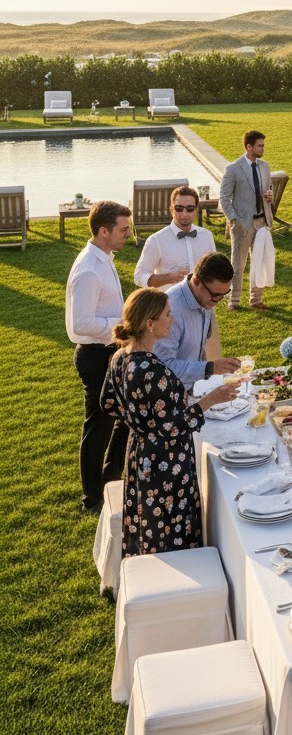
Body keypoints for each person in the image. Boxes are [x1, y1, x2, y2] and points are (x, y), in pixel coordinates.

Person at [102, 288, 239, 556]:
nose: (172, 320)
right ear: (149, 324)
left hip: (140, 455)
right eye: (167, 314)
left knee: (149, 525)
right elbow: (172, 427)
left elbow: (108, 403)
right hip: (166, 466)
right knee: (170, 531)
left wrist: (140, 423)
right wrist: (211, 399)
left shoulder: (120, 357)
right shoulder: (151, 370)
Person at [66, 200, 132, 513]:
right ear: (103, 231)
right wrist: (121, 326)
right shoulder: (88, 270)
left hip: (111, 352)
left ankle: (110, 479)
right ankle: (92, 498)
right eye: (123, 229)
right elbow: (80, 324)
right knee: (98, 427)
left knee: (125, 418)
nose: (128, 235)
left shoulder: (104, 257)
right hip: (96, 356)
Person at [134, 184, 222, 358]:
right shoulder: (157, 240)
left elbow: (215, 271)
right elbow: (139, 275)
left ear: (196, 210)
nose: (184, 214)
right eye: (179, 208)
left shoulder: (206, 236)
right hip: (171, 314)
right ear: (171, 209)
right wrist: (167, 277)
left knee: (208, 361)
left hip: (203, 310)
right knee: (173, 362)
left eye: (189, 209)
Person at [154, 252, 241, 394]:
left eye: (224, 294)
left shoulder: (204, 299)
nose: (218, 300)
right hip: (168, 396)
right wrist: (209, 368)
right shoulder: (170, 311)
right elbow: (163, 366)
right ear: (196, 281)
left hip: (191, 390)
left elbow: (197, 350)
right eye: (215, 295)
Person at [219, 129, 273, 311]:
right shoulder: (233, 168)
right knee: (238, 264)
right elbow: (224, 198)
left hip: (262, 222)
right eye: (260, 146)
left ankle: (256, 299)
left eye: (263, 145)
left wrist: (269, 196)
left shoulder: (265, 166)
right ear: (249, 147)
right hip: (242, 224)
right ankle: (233, 301)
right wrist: (234, 220)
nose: (263, 149)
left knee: (259, 261)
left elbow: (268, 189)